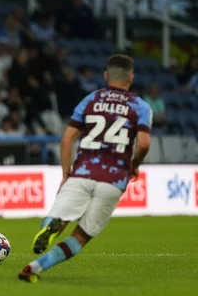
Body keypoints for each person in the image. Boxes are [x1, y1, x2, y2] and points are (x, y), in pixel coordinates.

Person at [19, 54, 152, 283]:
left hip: (82, 171)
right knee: (81, 236)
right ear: (131, 77)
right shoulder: (140, 106)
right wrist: (134, 165)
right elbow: (144, 144)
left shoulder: (90, 100)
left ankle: (54, 223)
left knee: (57, 217)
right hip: (114, 178)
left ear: (106, 75)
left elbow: (66, 140)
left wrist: (65, 173)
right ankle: (34, 268)